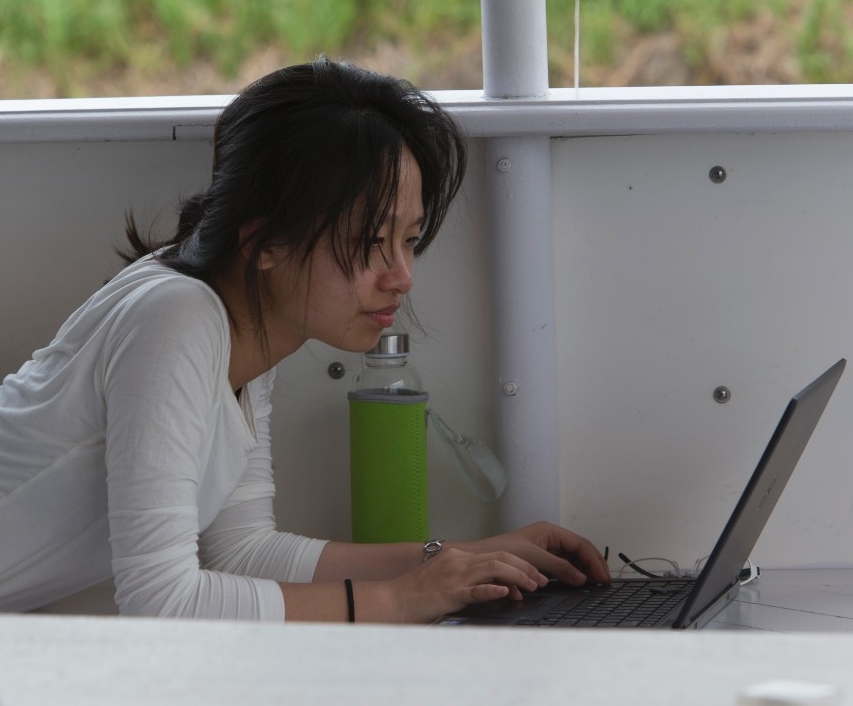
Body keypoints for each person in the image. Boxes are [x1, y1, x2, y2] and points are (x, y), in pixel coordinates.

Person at [0, 58, 610, 621]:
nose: (402, 276)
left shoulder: (244, 317)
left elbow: (242, 550)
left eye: (410, 239)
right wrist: (396, 601)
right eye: (372, 243)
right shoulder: (177, 317)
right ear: (265, 242)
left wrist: (458, 558)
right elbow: (160, 602)